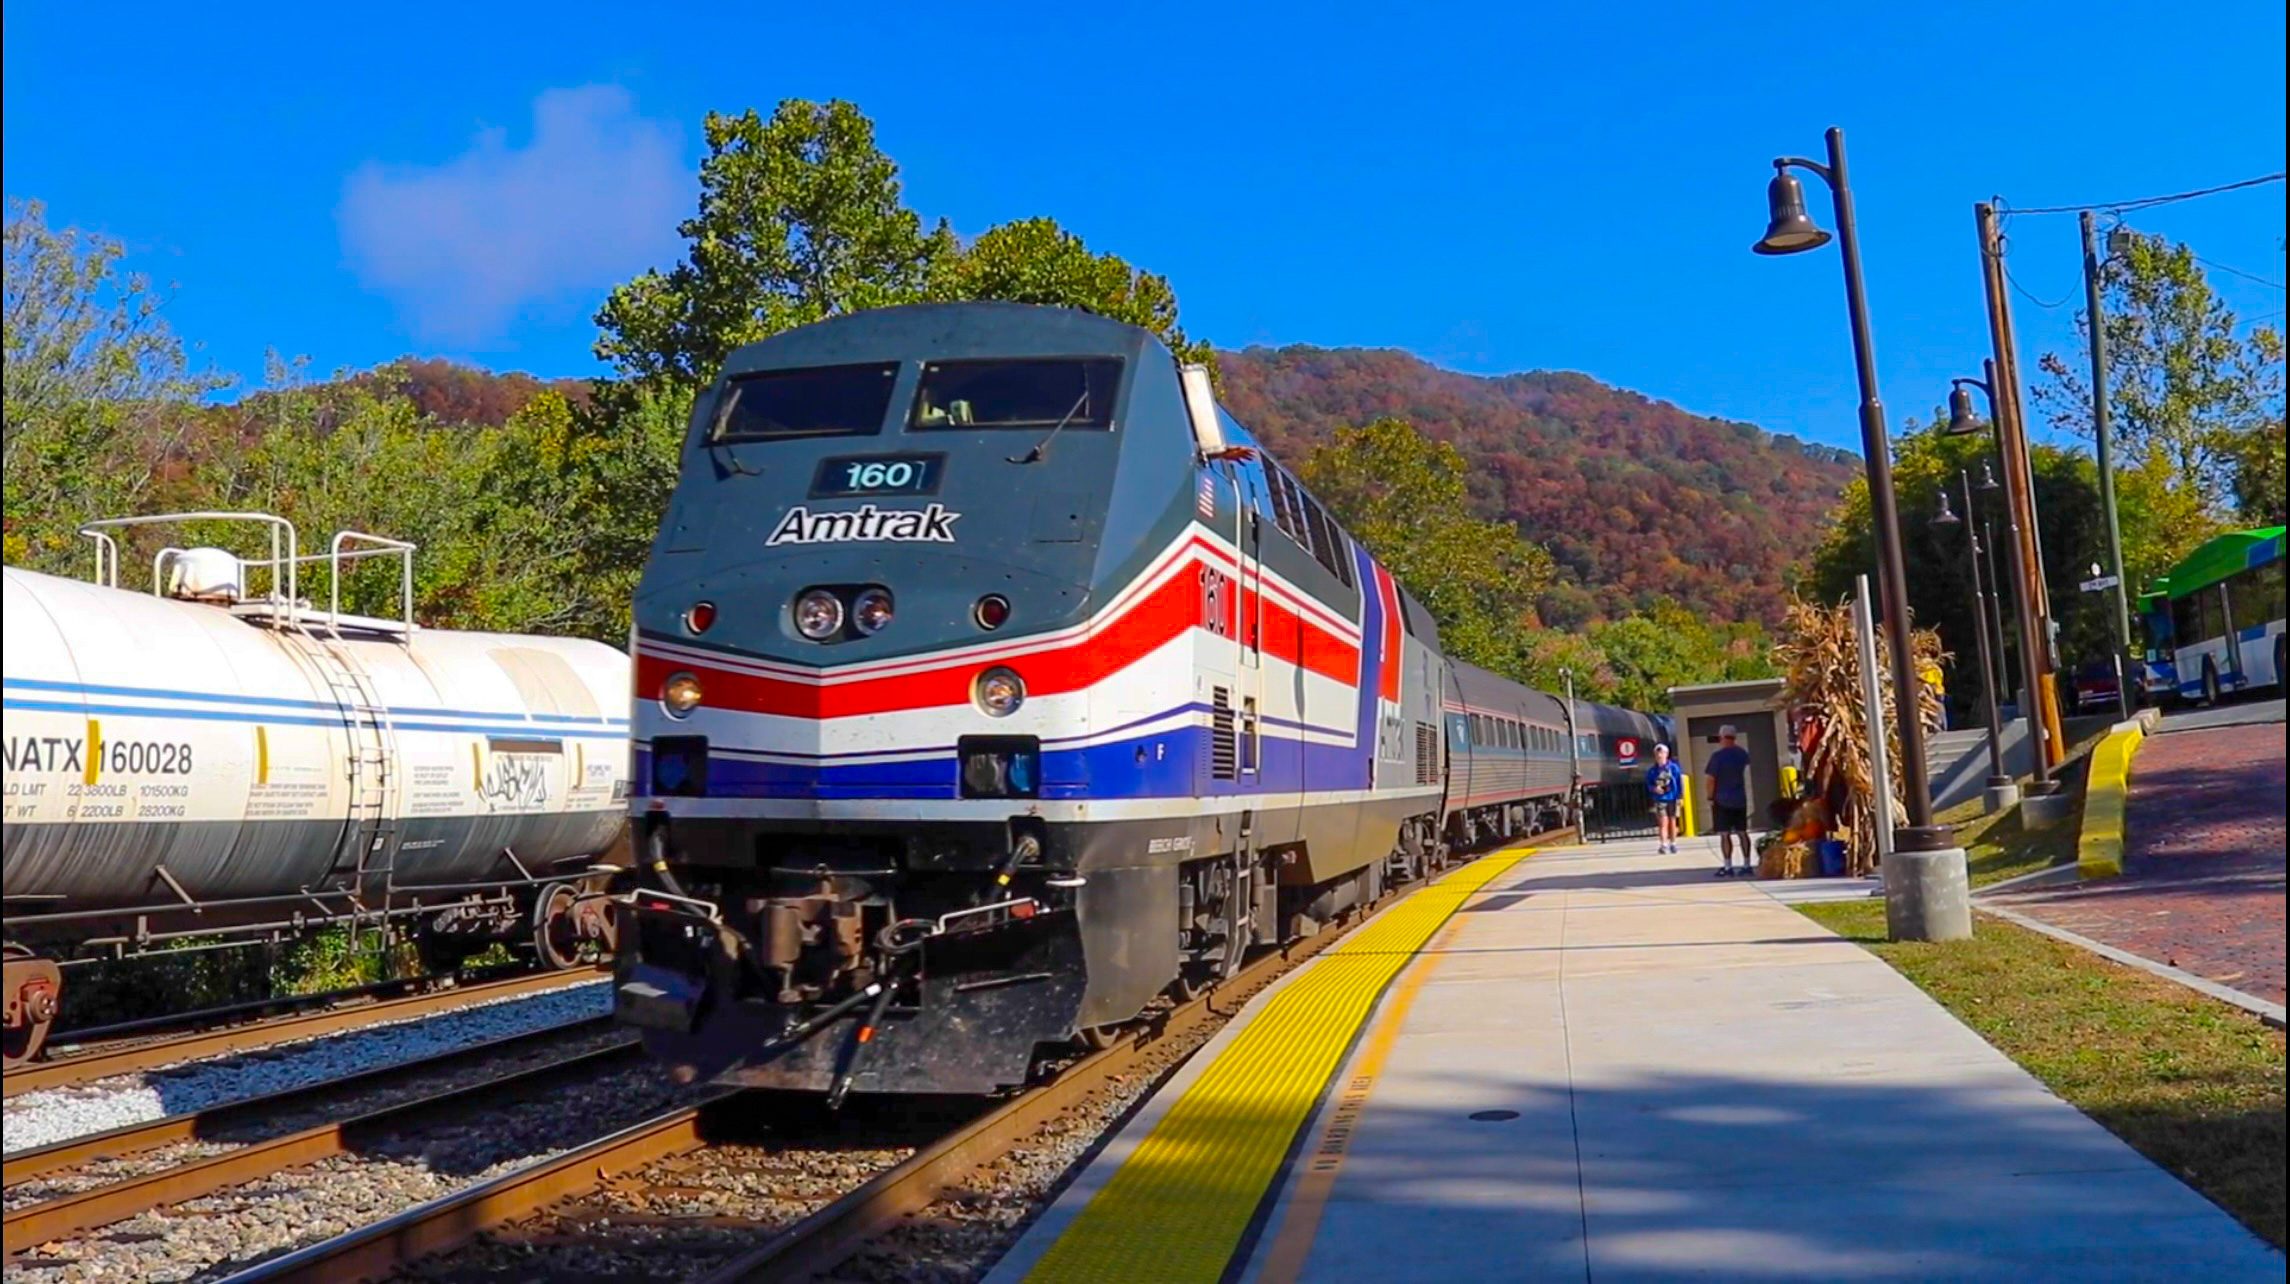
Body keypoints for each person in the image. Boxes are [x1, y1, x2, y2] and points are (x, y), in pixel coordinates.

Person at [1704, 724, 1754, 877]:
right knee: (1742, 832)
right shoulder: (1742, 754)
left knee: (1725, 834)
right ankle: (1747, 864)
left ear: (1722, 737)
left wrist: (1710, 796)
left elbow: (1710, 779)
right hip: (1740, 799)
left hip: (1722, 799)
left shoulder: (1717, 757)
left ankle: (1728, 866)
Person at [1645, 743, 1684, 855]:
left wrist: (1680, 797)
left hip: (1673, 798)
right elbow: (1648, 784)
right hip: (1660, 798)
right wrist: (1654, 788)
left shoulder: (1674, 768)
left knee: (1672, 821)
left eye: (1661, 753)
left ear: (1666, 754)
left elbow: (1679, 783)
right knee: (1663, 822)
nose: (1659, 756)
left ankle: (1673, 843)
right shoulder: (1652, 771)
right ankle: (1663, 845)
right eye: (1657, 754)